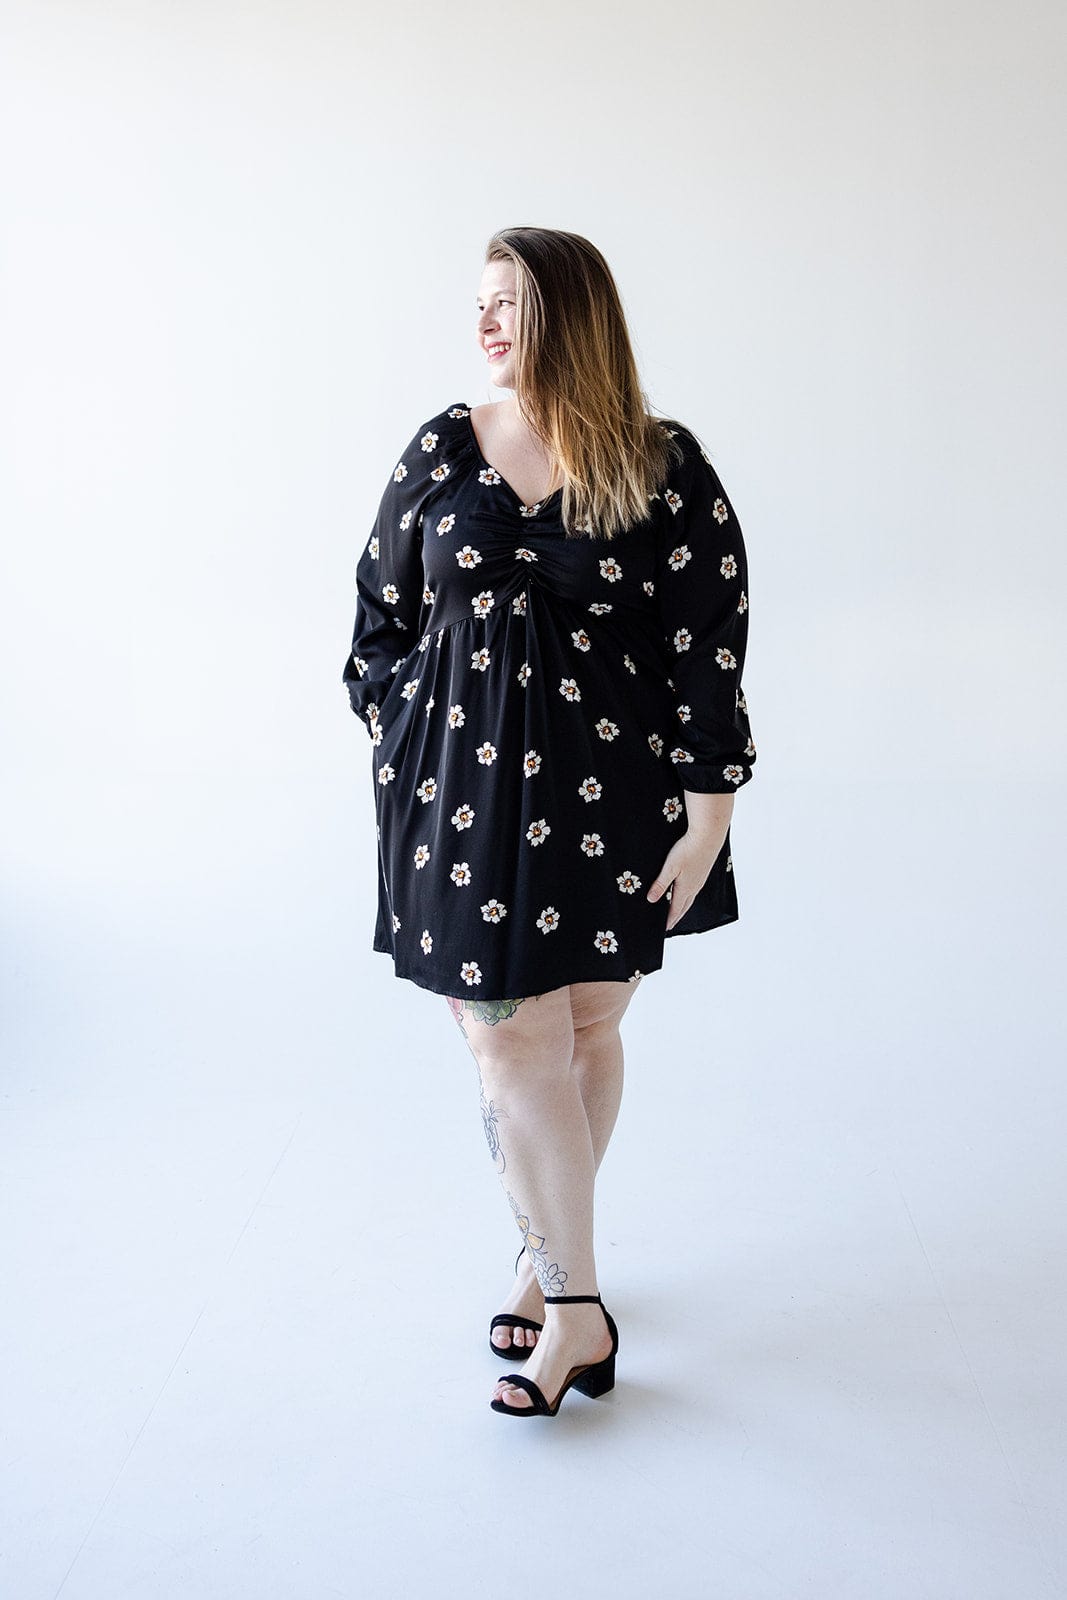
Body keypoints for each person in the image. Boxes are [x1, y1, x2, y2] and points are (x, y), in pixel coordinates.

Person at [341, 226, 757, 1418]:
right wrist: (408, 739)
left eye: (509, 303)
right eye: (476, 302)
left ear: (569, 316)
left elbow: (706, 645)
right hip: (464, 808)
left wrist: (707, 805)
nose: (483, 324)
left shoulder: (659, 463)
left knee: (580, 1031)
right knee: (506, 1042)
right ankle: (579, 1310)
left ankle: (543, 1256)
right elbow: (377, 617)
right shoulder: (441, 446)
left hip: (614, 805)